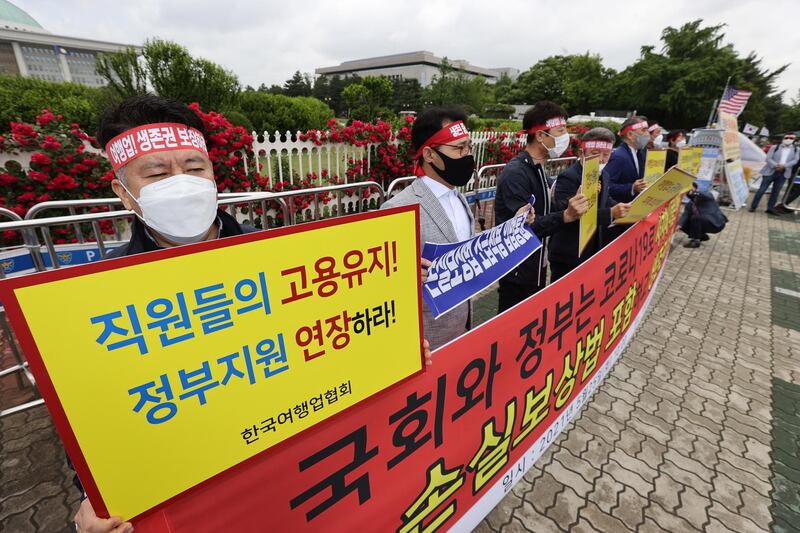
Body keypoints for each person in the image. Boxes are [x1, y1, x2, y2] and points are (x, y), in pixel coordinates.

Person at [74, 95, 434, 532]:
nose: (181, 182)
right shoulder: (94, 299)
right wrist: (98, 497)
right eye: (156, 173)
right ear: (124, 193)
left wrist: (391, 352)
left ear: (212, 176)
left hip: (305, 475)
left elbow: (330, 337)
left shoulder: (281, 258)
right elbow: (100, 425)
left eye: (193, 168)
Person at [381, 106, 532, 349]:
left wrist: (514, 224)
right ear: (429, 154)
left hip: (461, 329)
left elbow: (468, 248)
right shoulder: (397, 209)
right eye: (458, 148)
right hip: (424, 340)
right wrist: (404, 276)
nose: (467, 155)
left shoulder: (459, 198)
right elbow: (380, 280)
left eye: (468, 147)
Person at [494, 101, 588, 313]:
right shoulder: (517, 173)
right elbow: (522, 229)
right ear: (540, 136)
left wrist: (577, 201)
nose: (567, 138)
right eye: (561, 131)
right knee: (513, 326)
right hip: (518, 271)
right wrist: (565, 215)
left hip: (536, 265)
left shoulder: (538, 169)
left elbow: (547, 210)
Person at [548, 128, 631, 281]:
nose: (600, 159)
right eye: (594, 153)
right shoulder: (569, 176)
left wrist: (626, 208)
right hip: (569, 251)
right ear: (581, 153)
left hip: (592, 247)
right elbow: (565, 214)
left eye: (606, 155)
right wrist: (611, 213)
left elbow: (606, 201)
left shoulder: (604, 174)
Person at [750, 133, 799, 214]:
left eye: (791, 138)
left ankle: (770, 208)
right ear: (783, 138)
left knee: (775, 192)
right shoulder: (775, 147)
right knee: (761, 190)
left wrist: (784, 166)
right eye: (787, 137)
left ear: (794, 140)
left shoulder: (796, 149)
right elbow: (768, 158)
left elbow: (795, 160)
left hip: (783, 173)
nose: (789, 139)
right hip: (770, 171)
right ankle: (753, 206)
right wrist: (776, 165)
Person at [605, 116, 650, 203]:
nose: (647, 134)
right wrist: (631, 187)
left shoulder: (640, 153)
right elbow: (606, 185)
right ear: (630, 135)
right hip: (621, 206)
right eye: (643, 130)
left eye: (647, 130)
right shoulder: (619, 156)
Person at [680, 183, 728, 248]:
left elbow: (706, 195)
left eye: (691, 189)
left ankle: (696, 242)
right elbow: (685, 215)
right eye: (687, 191)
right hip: (703, 222)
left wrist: (695, 192)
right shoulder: (690, 204)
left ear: (696, 189)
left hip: (716, 223)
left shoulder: (706, 195)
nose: (689, 192)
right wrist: (679, 225)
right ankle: (701, 236)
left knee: (695, 218)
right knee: (684, 224)